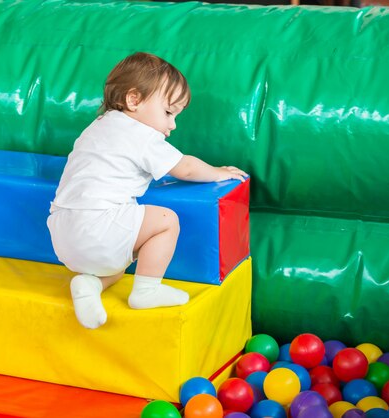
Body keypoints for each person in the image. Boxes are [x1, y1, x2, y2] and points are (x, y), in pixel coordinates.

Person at [47, 52, 247, 329]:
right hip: (98, 227)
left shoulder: (97, 126)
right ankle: (147, 290)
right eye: (168, 113)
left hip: (63, 235)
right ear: (133, 100)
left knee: (122, 260)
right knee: (165, 222)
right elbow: (185, 168)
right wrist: (219, 172)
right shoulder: (139, 134)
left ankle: (91, 284)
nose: (172, 125)